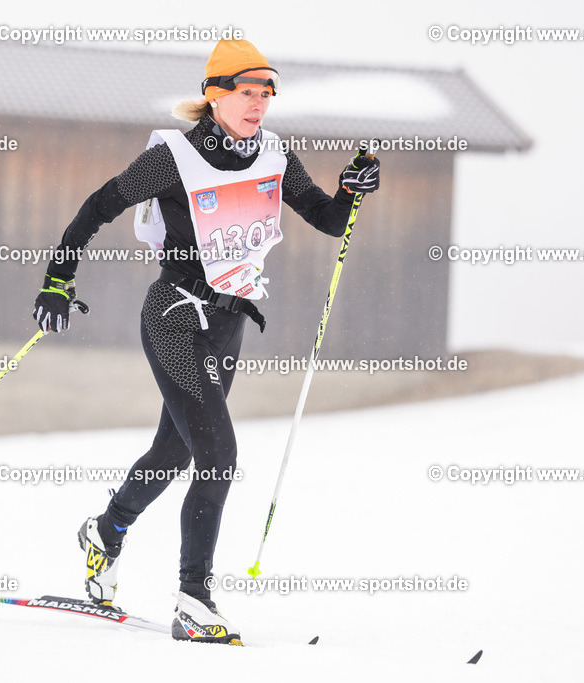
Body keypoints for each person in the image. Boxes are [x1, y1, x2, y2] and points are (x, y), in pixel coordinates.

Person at [33, 38, 380, 644]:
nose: (259, 105)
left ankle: (106, 531)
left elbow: (328, 220)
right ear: (215, 95)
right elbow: (99, 205)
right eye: (247, 92)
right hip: (172, 312)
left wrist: (351, 189)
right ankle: (194, 598)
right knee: (219, 454)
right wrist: (58, 280)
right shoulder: (174, 157)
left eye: (267, 93)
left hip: (228, 322)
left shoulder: (276, 156)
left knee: (176, 453)